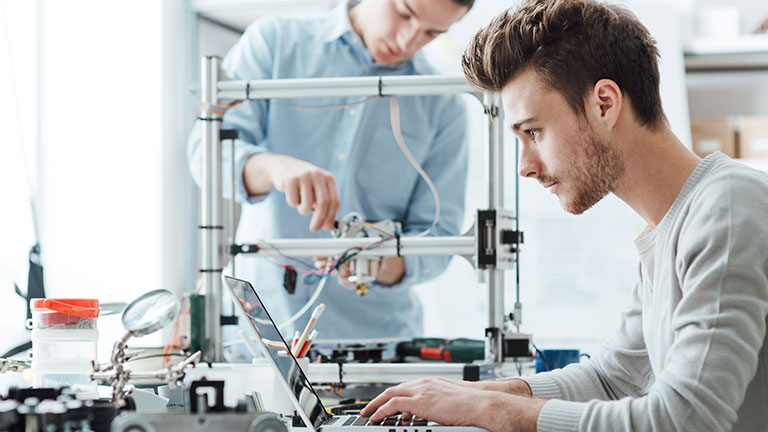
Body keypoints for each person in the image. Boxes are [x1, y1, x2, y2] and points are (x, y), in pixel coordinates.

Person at [361, 0, 768, 430]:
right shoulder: (671, 223)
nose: (525, 166)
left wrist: (492, 411)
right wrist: (467, 394)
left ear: (604, 104)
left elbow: (686, 419)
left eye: (533, 131)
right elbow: (614, 378)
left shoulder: (726, 208)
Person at [187, 0, 473, 341]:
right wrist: (275, 167)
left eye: (431, 32)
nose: (408, 40)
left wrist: (377, 262)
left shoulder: (442, 102)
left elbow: (439, 237)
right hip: (257, 330)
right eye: (404, 13)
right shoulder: (275, 41)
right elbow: (207, 154)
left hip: (373, 345)